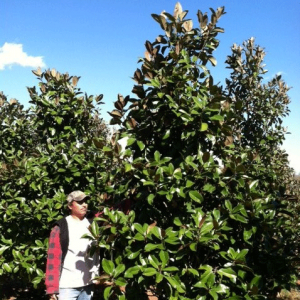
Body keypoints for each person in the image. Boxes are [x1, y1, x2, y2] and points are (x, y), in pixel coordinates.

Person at [45, 191, 99, 300]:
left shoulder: (92, 225)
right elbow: (53, 258)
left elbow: (96, 254)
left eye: (85, 201)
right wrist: (51, 288)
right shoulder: (60, 227)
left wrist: (96, 275)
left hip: (87, 285)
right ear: (70, 206)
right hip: (67, 287)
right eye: (79, 202)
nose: (84, 204)